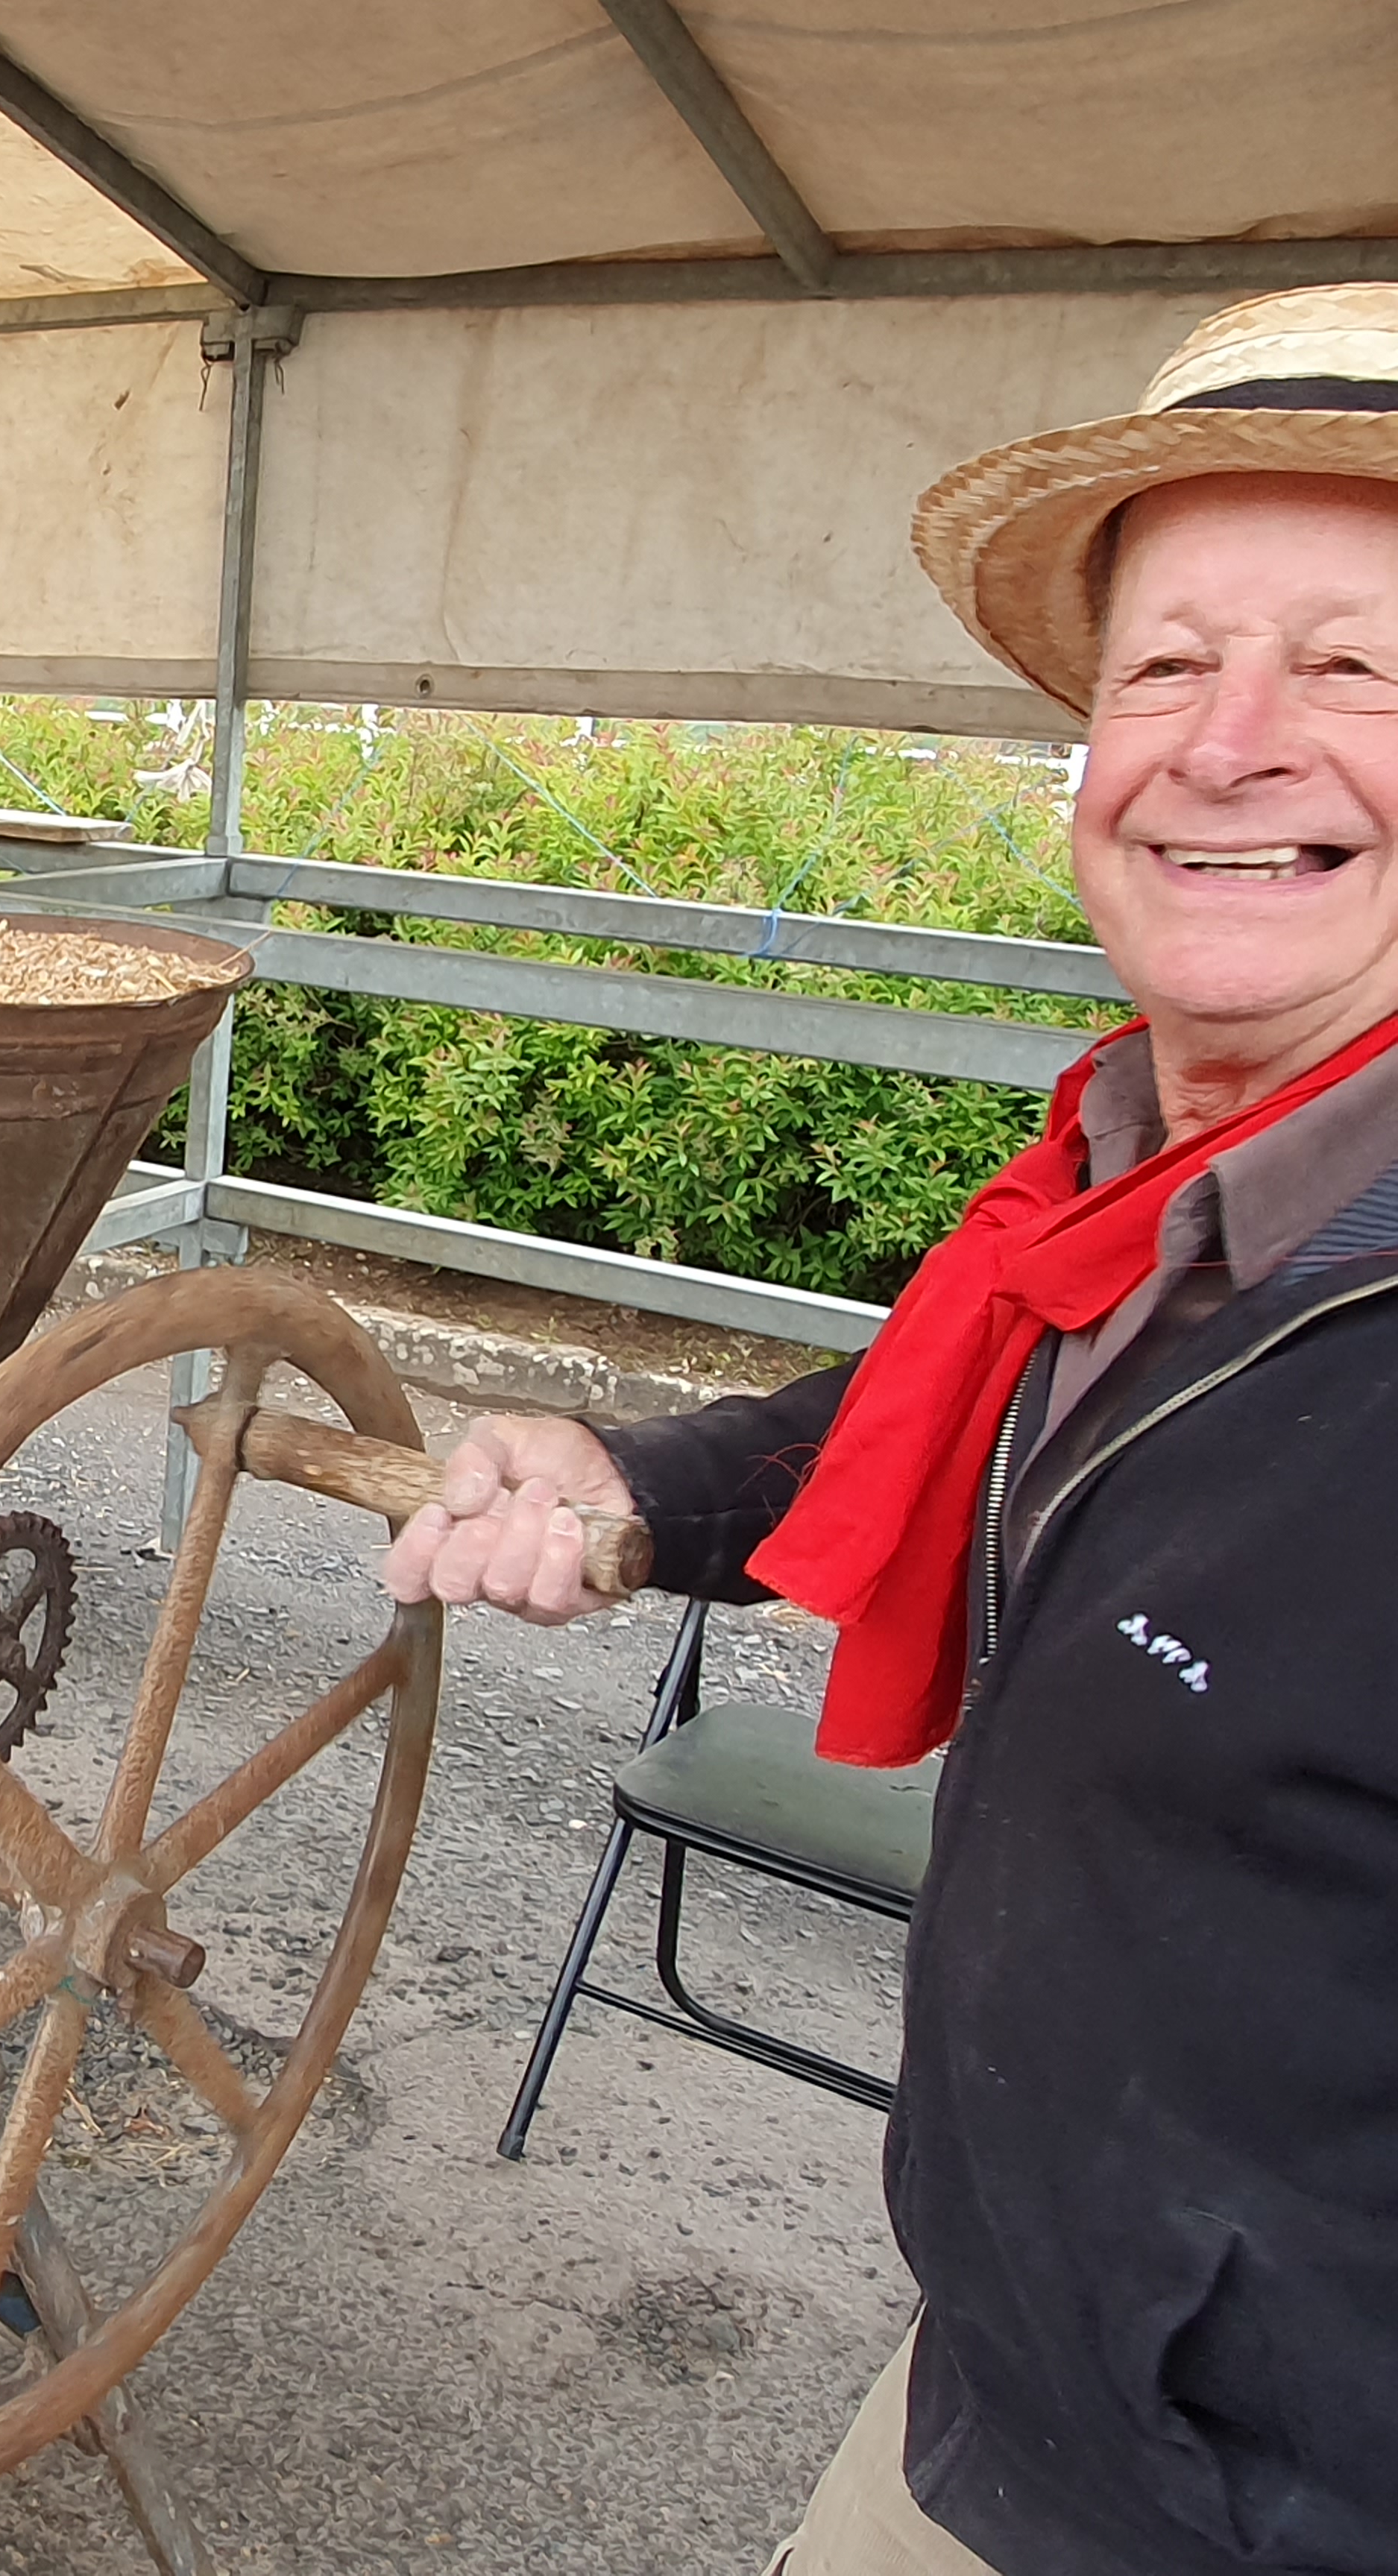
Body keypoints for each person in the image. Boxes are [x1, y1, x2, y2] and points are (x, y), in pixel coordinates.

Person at [385, 282, 1398, 2576]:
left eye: (1354, 667)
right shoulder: (1147, 1195)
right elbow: (971, 1403)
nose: (1232, 746)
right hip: (1010, 2378)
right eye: (1164, 669)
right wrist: (643, 1488)